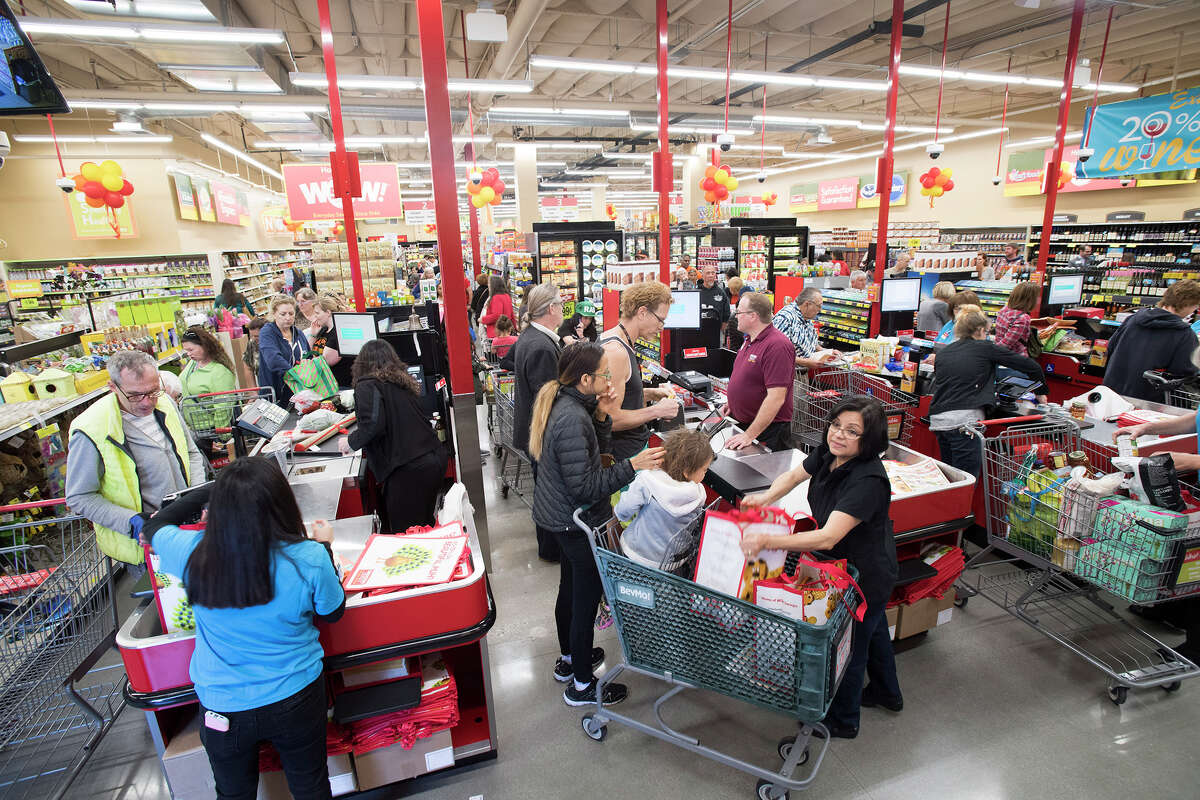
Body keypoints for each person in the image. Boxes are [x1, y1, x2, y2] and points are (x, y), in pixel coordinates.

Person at [142, 458, 344, 800]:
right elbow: (332, 611)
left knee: (233, 793)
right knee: (310, 785)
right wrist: (325, 545)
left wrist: (218, 489)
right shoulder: (307, 556)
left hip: (223, 704)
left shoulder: (192, 553)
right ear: (280, 503)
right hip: (295, 694)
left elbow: (155, 525)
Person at [740, 396, 900, 739]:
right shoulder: (831, 454)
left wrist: (768, 541)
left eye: (852, 431)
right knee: (873, 630)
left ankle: (843, 720)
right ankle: (888, 693)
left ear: (869, 439)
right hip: (847, 563)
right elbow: (796, 474)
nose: (839, 434)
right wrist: (765, 498)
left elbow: (827, 537)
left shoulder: (868, 480)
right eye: (836, 425)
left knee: (851, 646)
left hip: (865, 572)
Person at [528, 341, 664, 707]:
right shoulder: (571, 418)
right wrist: (633, 467)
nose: (611, 379)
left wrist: (604, 416)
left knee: (570, 588)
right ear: (586, 378)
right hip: (575, 521)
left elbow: (592, 457)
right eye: (605, 374)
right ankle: (583, 687)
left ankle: (570, 660)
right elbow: (586, 487)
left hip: (561, 516)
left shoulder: (573, 405)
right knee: (584, 599)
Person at [65, 349, 207, 564]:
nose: (147, 402)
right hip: (146, 545)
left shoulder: (166, 403)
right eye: (134, 395)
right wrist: (131, 522)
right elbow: (79, 497)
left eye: (152, 391)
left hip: (188, 529)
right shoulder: (91, 429)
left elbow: (191, 453)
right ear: (112, 387)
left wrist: (198, 498)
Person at [339, 339, 447, 532]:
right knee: (424, 526)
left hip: (409, 469)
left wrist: (350, 442)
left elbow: (373, 425)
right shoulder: (401, 381)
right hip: (433, 459)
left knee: (406, 534)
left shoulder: (367, 384)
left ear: (361, 363)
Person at [929, 311, 1047, 476]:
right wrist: (1041, 394)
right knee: (967, 482)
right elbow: (1031, 366)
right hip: (964, 423)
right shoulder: (985, 348)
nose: (987, 336)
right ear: (978, 330)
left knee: (951, 481)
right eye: (986, 331)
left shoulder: (944, 352)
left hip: (939, 421)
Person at [508, 284, 565, 559]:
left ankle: (549, 546)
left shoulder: (531, 338)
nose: (564, 309)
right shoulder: (542, 347)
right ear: (551, 308)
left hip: (534, 432)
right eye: (561, 304)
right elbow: (548, 400)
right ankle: (551, 549)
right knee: (549, 492)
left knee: (544, 489)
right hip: (542, 435)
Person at [600, 282, 682, 460]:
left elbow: (620, 397)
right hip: (623, 458)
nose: (662, 326)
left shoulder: (618, 341)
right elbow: (610, 418)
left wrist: (650, 394)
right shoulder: (616, 352)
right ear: (642, 312)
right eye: (660, 319)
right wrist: (656, 411)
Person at [615, 428, 713, 568]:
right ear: (686, 471)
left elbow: (624, 510)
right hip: (674, 559)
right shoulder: (699, 493)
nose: (705, 474)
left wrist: (619, 514)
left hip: (638, 554)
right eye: (704, 470)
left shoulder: (647, 480)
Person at [1103, 279, 1200, 402]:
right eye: (1195, 306)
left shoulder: (1132, 320)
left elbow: (1110, 348)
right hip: (1150, 403)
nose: (1194, 311)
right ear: (1187, 304)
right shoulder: (1184, 334)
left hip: (1113, 393)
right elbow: (1185, 373)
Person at [724, 292, 798, 452]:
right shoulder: (749, 339)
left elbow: (776, 398)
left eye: (739, 313)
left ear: (753, 316)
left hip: (768, 433)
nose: (736, 316)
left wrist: (749, 435)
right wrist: (733, 403)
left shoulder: (777, 346)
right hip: (746, 425)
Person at [178, 326, 237, 434]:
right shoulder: (193, 363)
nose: (188, 354)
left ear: (205, 346)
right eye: (186, 350)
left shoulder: (220, 372)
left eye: (191, 350)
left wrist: (222, 435)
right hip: (194, 428)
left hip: (211, 431)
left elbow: (223, 407)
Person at [258, 294, 311, 406]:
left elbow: (308, 356)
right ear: (274, 314)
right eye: (283, 314)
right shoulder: (267, 333)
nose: (288, 317)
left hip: (297, 396)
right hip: (275, 396)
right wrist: (295, 375)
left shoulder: (298, 334)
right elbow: (273, 359)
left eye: (291, 313)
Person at [773, 287, 838, 369]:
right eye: (818, 306)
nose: (820, 310)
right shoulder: (784, 318)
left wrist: (827, 352)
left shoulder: (806, 317)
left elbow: (812, 344)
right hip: (786, 373)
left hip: (800, 373)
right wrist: (806, 362)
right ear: (807, 304)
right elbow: (778, 353)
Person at [304, 295, 352, 388]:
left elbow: (324, 362)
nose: (315, 317)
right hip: (324, 385)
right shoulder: (323, 329)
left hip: (339, 386)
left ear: (328, 312)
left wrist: (305, 364)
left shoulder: (338, 332)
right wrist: (313, 335)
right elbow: (308, 352)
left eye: (317, 313)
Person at [994, 282, 1052, 357]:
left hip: (1003, 356)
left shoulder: (1004, 309)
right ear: (1030, 300)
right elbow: (1005, 344)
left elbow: (1006, 335)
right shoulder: (1023, 318)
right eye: (1037, 297)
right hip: (1016, 359)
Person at [697, 263, 731, 353]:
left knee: (715, 354)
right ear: (702, 275)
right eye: (708, 273)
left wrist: (721, 329)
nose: (711, 275)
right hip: (698, 332)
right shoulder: (697, 291)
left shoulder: (721, 292)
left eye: (713, 273)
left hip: (715, 332)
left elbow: (727, 312)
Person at [243, 317, 266, 383]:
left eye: (257, 336)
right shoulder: (252, 343)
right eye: (251, 336)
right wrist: (253, 390)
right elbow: (248, 367)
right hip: (263, 386)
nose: (253, 339)